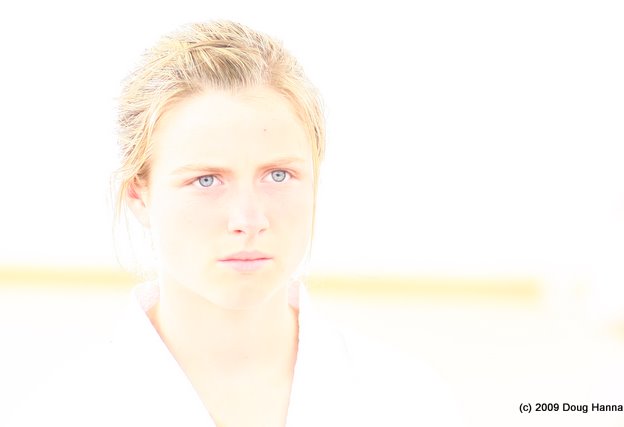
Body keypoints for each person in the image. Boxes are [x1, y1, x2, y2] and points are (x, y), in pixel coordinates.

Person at [10, 20, 462, 427]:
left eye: (278, 175)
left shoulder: (409, 401)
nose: (249, 220)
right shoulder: (64, 413)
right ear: (138, 195)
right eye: (206, 180)